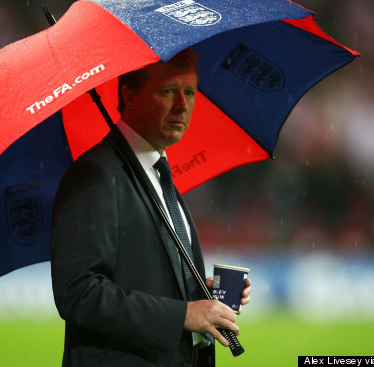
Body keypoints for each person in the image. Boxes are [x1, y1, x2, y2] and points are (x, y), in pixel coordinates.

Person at [50, 49, 251, 367]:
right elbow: (79, 294)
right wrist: (184, 314)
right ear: (129, 98)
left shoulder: (157, 172)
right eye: (168, 91)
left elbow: (141, 271)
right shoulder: (95, 175)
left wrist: (197, 289)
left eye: (189, 92)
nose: (182, 106)